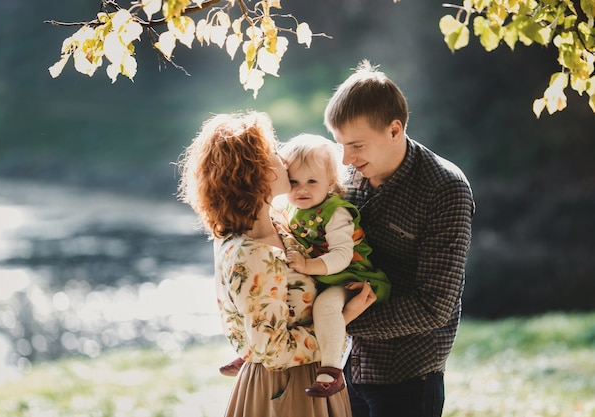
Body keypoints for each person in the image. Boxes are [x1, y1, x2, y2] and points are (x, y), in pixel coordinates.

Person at [177, 111, 377, 417]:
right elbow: (271, 349)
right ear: (255, 172)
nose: (282, 158)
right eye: (272, 152)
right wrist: (344, 319)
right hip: (285, 392)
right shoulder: (250, 252)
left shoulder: (279, 222)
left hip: (310, 381)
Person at [324, 60, 475, 416]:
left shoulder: (445, 189)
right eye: (340, 144)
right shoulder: (344, 175)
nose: (345, 158)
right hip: (343, 367)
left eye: (357, 145)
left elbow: (434, 306)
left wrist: (337, 320)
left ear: (394, 130)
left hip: (407, 377)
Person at [220, 133, 392, 397]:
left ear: (331, 182)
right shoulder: (283, 213)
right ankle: (250, 351)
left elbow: (342, 255)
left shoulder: (336, 212)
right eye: (294, 181)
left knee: (325, 306)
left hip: (348, 275)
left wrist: (307, 266)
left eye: (312, 181)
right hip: (318, 282)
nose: (301, 189)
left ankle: (333, 369)